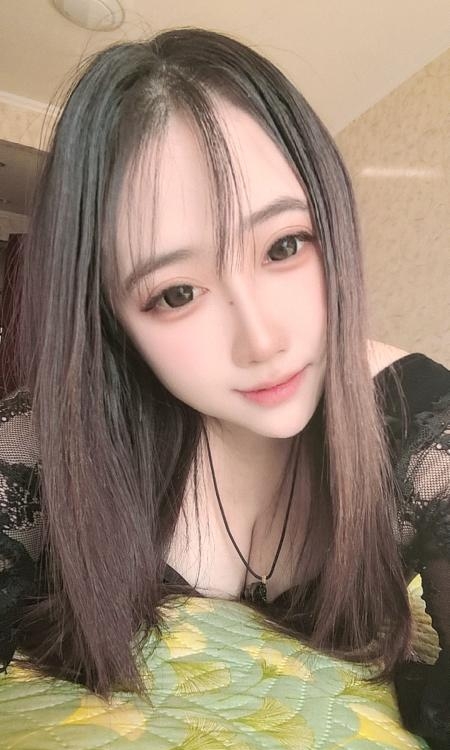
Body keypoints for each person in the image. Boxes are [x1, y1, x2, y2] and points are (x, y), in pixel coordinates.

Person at [0, 27, 448, 748]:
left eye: (284, 246)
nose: (261, 340)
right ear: (110, 319)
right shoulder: (43, 443)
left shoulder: (425, 425)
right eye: (176, 293)